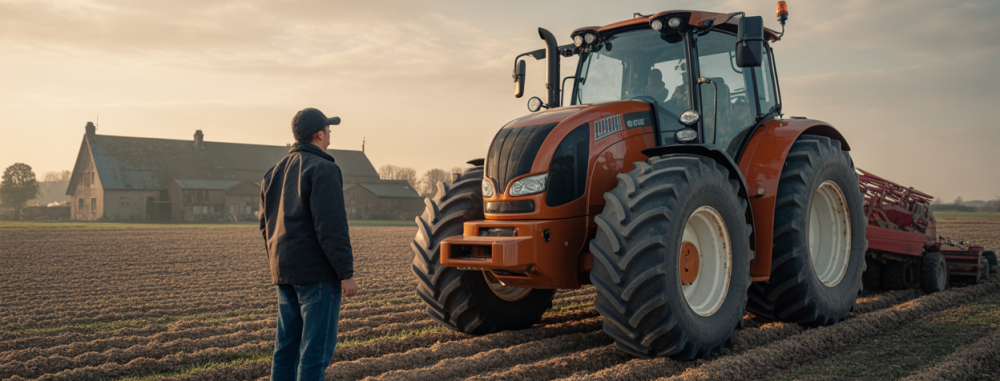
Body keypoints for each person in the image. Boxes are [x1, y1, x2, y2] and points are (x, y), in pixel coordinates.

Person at [260, 107, 359, 381]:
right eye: (328, 129)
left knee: (286, 349)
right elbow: (331, 225)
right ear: (319, 134)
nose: (330, 134)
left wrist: (278, 267)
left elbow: (265, 225)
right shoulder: (324, 168)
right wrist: (345, 273)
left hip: (285, 272)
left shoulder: (273, 172)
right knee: (314, 353)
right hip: (317, 275)